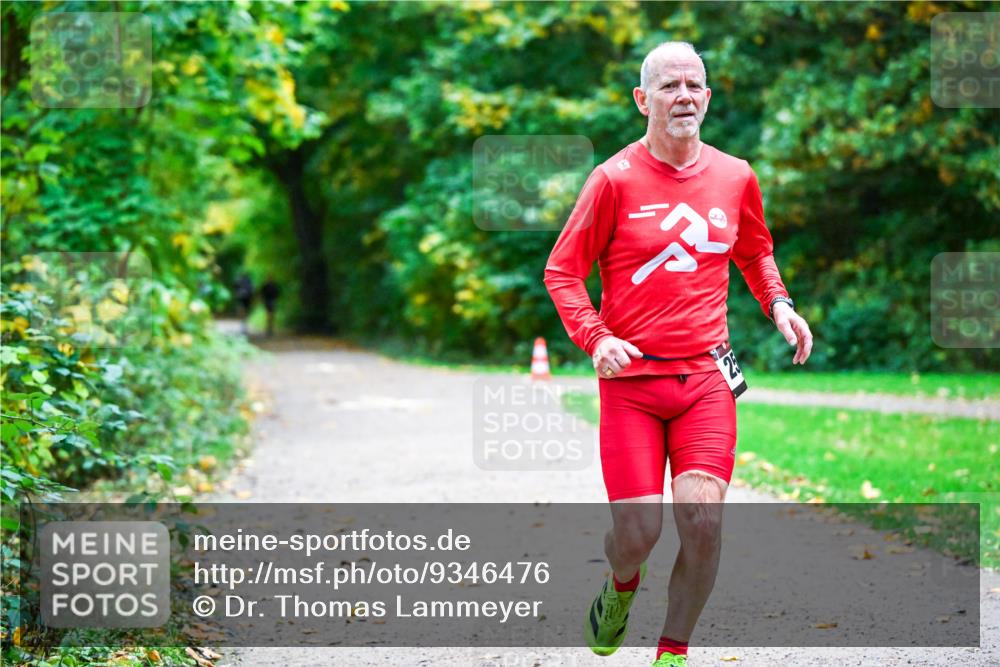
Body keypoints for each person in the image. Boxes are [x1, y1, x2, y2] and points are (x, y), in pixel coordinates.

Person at [543, 42, 813, 667]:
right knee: (637, 537)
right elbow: (562, 272)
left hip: (706, 380)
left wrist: (778, 304)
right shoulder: (612, 179)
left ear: (709, 98)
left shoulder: (735, 175)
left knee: (703, 523)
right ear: (643, 99)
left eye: (694, 85)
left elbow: (753, 249)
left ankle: (672, 651)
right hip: (632, 384)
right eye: (669, 86)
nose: (683, 96)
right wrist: (597, 336)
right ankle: (620, 587)